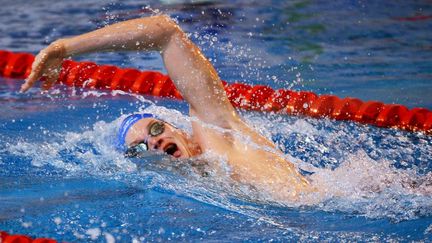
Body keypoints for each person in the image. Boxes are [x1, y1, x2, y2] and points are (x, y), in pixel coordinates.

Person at [20, 15, 315, 201]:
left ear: (181, 131)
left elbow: (165, 32)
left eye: (156, 129)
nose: (155, 141)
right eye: (140, 148)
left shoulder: (218, 134)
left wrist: (65, 48)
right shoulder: (202, 189)